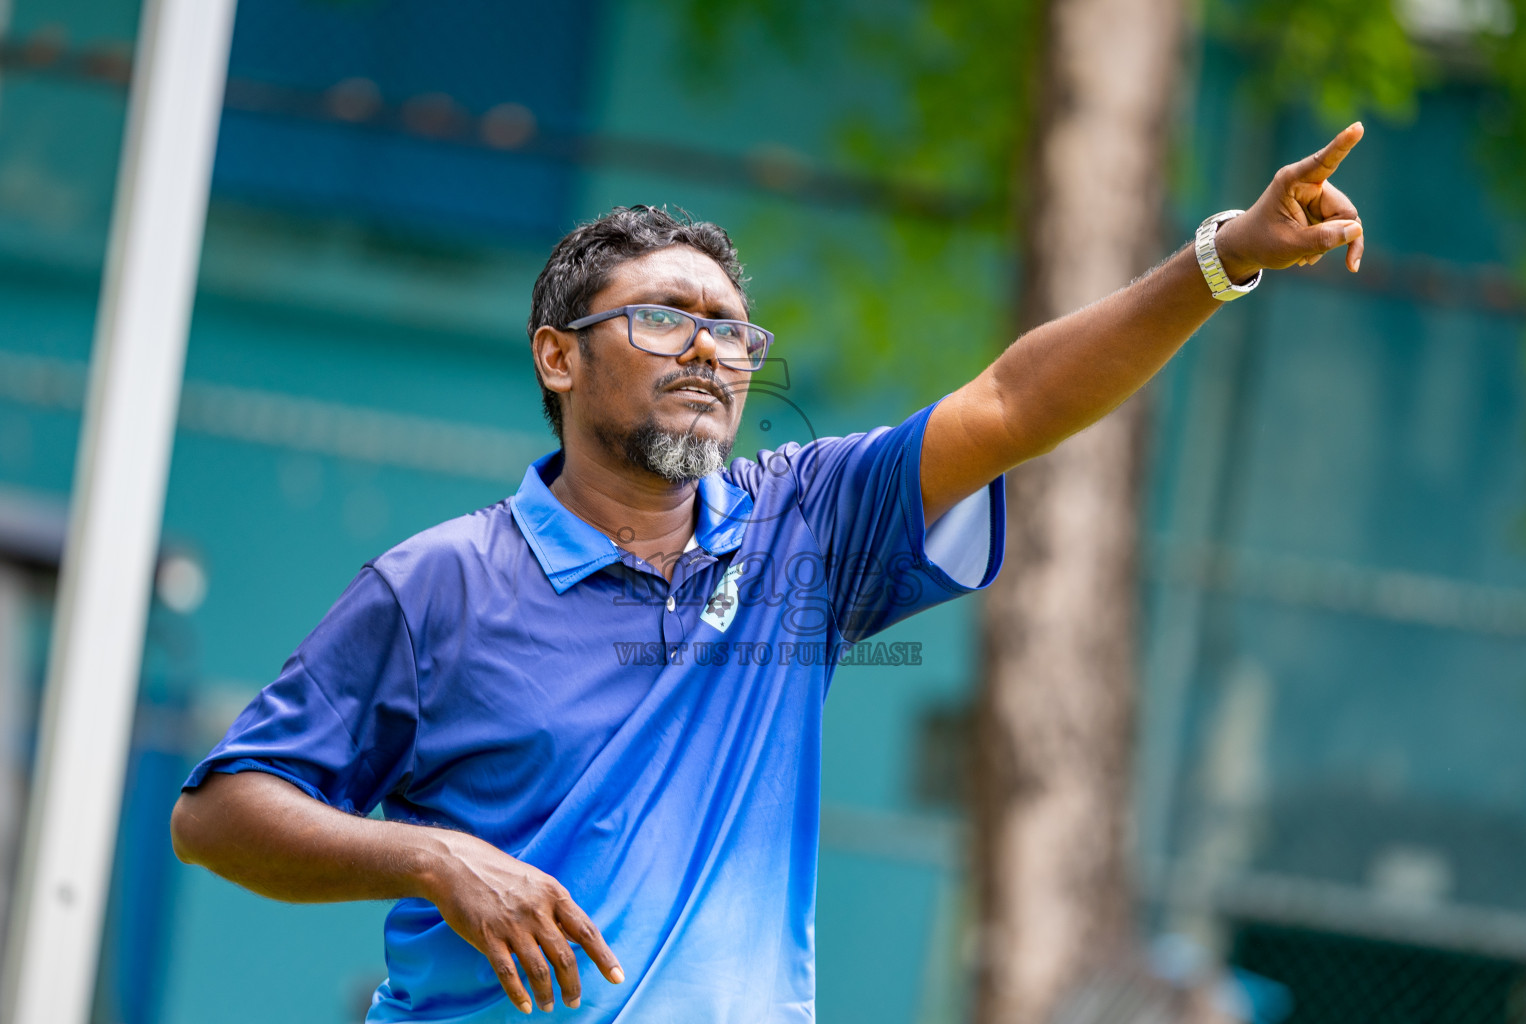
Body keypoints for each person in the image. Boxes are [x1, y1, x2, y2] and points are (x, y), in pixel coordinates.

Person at [170, 123, 1367, 1022]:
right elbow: (217, 812)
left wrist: (1223, 258)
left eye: (733, 329)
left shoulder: (805, 523)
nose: (710, 350)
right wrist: (434, 857)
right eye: (664, 317)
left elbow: (1011, 401)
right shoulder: (436, 585)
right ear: (558, 357)